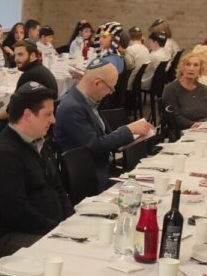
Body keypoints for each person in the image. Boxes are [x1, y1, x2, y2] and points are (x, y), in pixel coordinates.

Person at [0, 81, 72, 257]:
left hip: (46, 226)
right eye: (48, 114)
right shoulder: (4, 156)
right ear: (28, 115)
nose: (53, 120)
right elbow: (18, 214)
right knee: (70, 254)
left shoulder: (37, 141)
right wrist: (59, 230)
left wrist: (70, 221)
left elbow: (58, 187)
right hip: (12, 236)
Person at [55, 58, 155, 190]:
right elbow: (94, 147)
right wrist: (128, 130)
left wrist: (130, 134)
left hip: (104, 168)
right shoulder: (72, 107)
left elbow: (101, 138)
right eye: (111, 88)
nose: (110, 93)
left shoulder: (88, 101)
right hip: (90, 177)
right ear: (97, 83)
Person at [160, 52, 207, 130]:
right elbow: (174, 117)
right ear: (182, 68)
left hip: (204, 128)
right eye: (188, 64)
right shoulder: (171, 90)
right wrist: (193, 124)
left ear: (200, 69)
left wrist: (204, 124)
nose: (191, 68)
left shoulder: (204, 89)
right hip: (182, 131)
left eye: (196, 65)